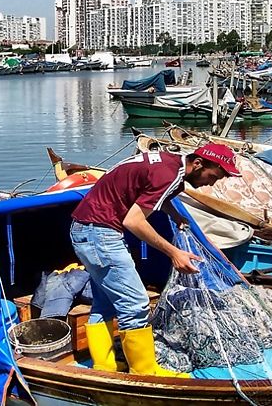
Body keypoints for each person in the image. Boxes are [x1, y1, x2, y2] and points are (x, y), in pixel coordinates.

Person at [69, 143, 239, 377]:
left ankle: (104, 366)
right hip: (100, 234)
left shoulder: (173, 166)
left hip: (87, 230)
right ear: (198, 164)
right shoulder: (168, 174)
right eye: (213, 176)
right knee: (136, 304)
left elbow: (157, 195)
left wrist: (177, 216)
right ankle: (145, 372)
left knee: (105, 302)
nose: (212, 183)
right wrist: (174, 252)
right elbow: (134, 222)